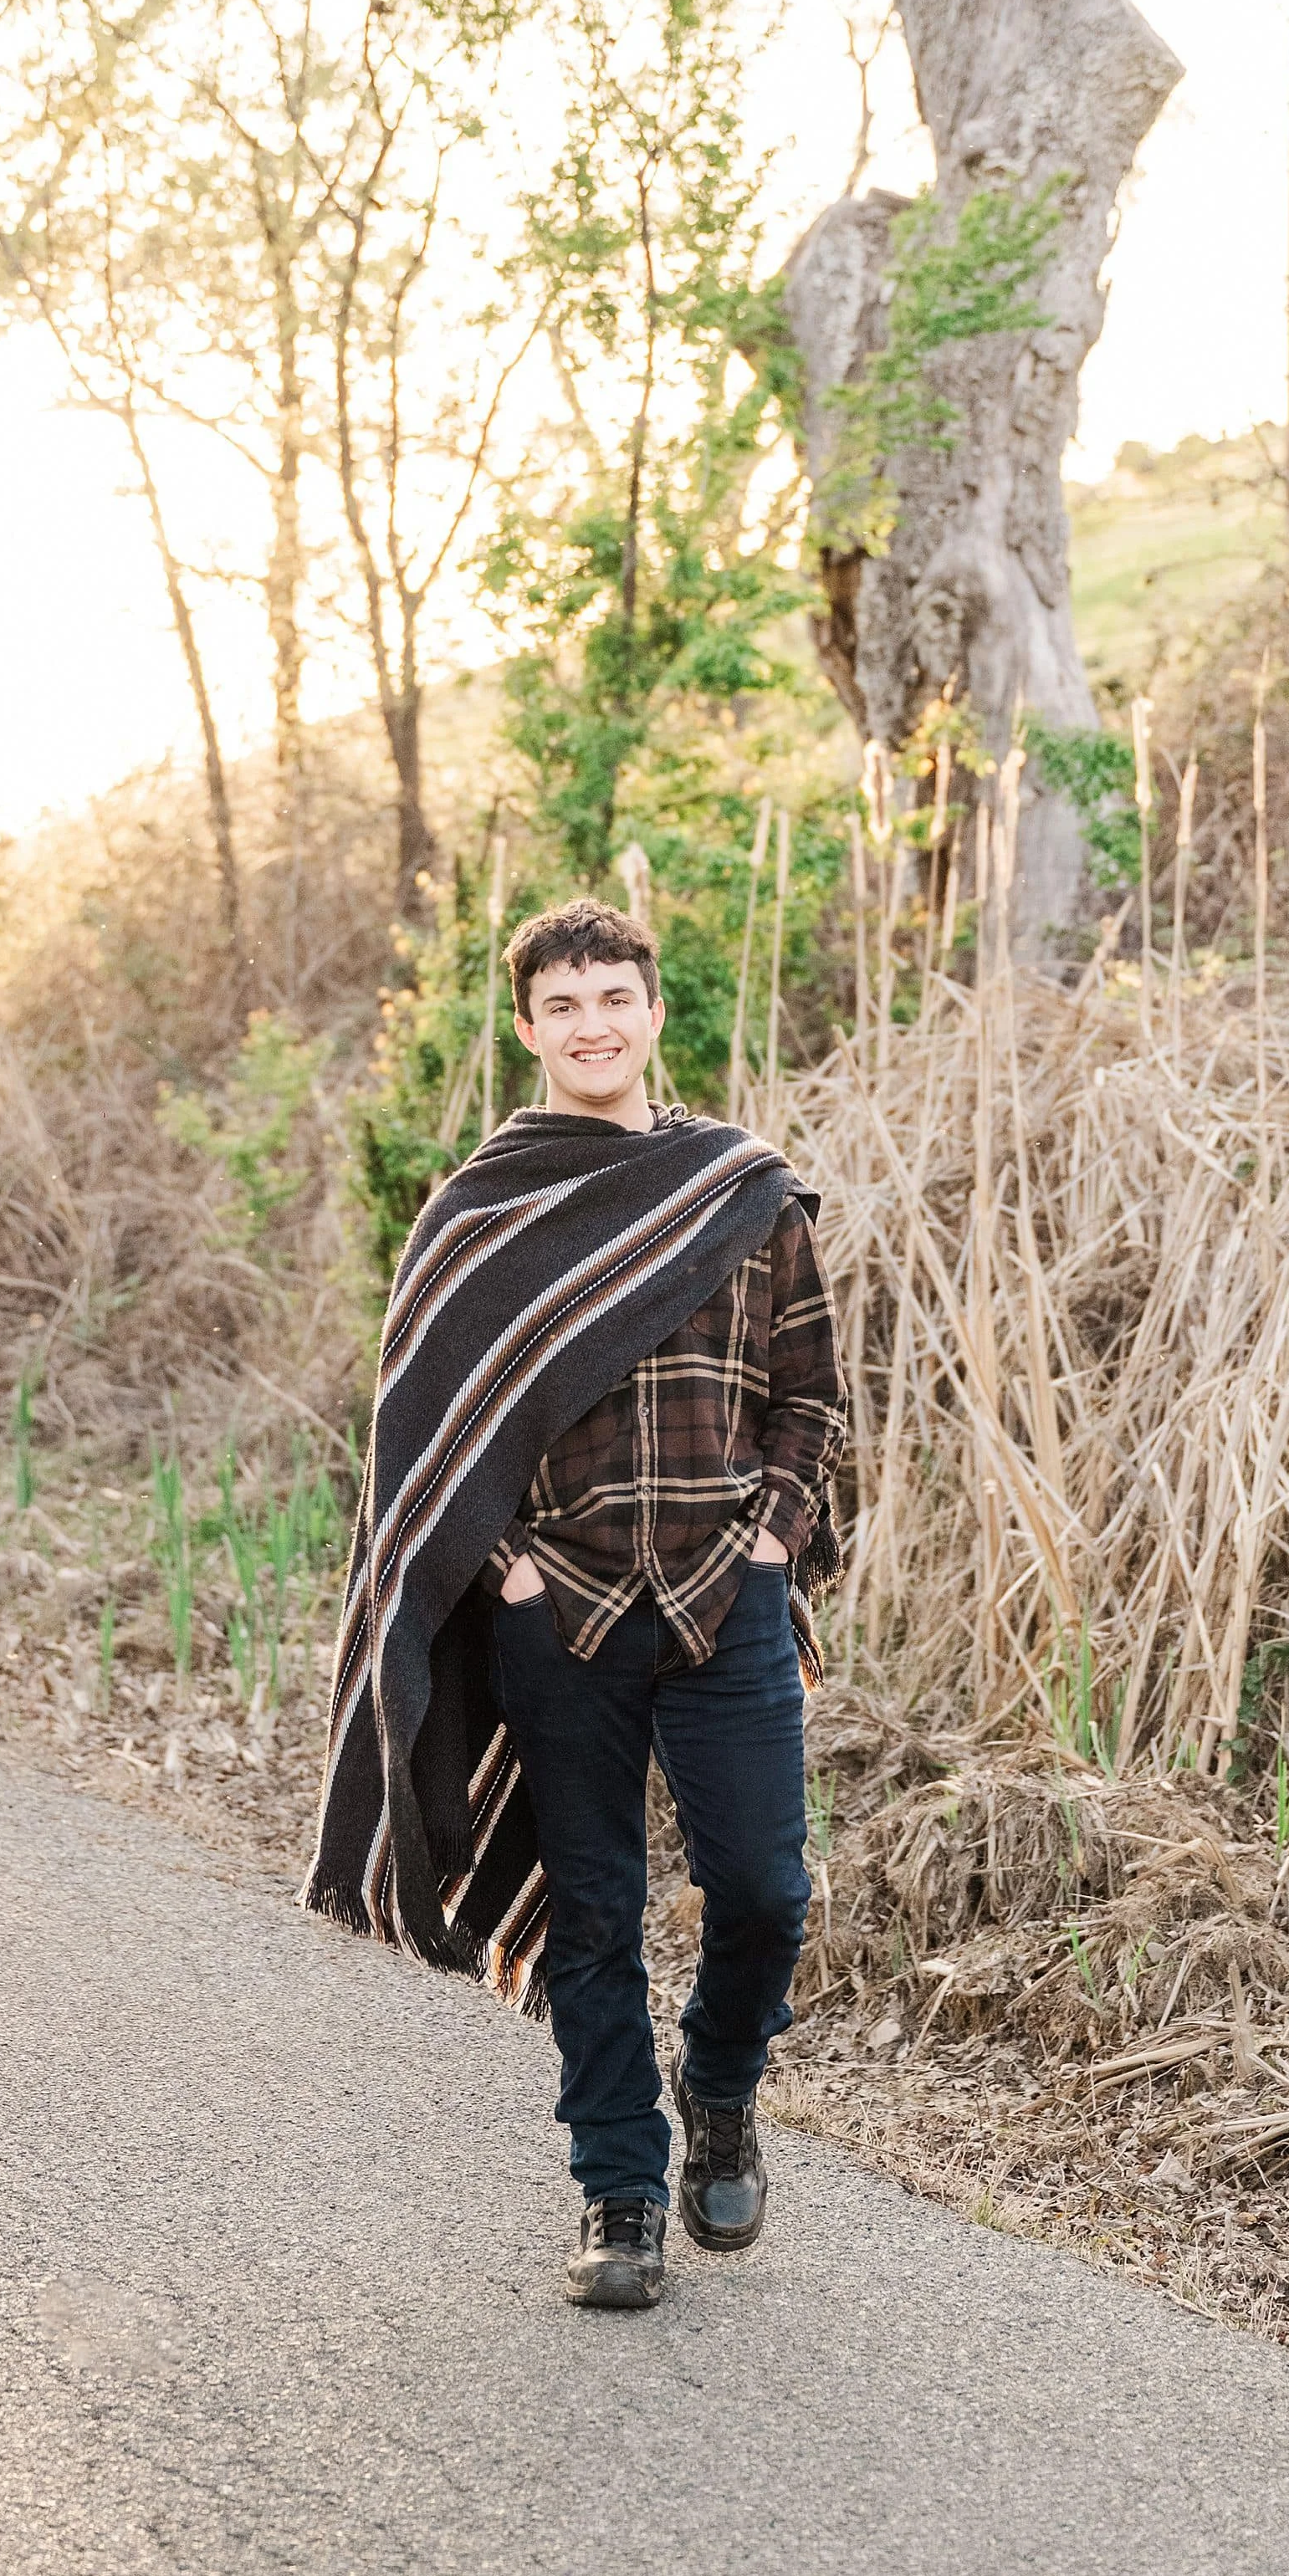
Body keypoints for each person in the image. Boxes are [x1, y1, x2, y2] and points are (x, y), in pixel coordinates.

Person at [305, 896, 846, 2311]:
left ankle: (719, 2090)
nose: (592, 1024)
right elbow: (423, 1432)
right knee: (597, 1912)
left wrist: (777, 1542)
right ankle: (620, 2193)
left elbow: (812, 1398)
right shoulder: (487, 1208)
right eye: (563, 1004)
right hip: (564, 1609)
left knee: (765, 1891)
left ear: (656, 1013)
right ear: (530, 1025)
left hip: (729, 1597)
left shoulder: (747, 1190)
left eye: (615, 997)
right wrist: (506, 1571)